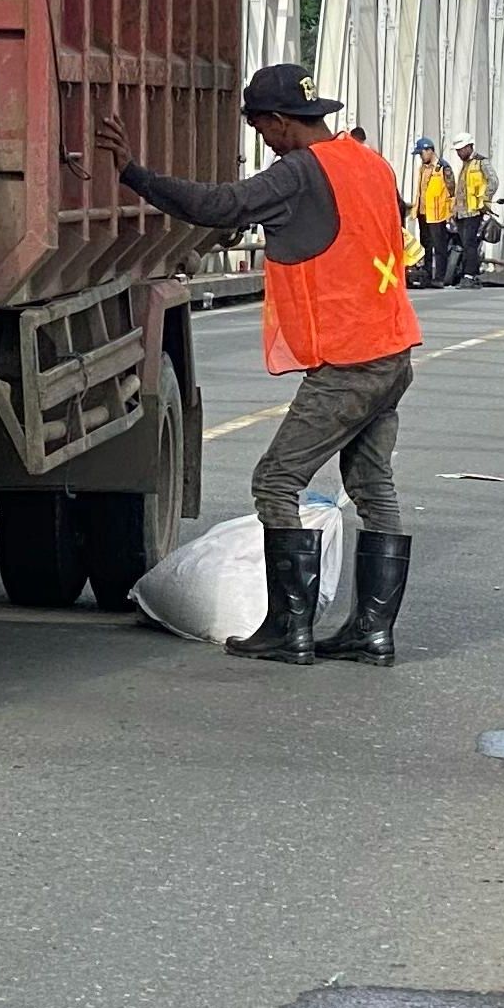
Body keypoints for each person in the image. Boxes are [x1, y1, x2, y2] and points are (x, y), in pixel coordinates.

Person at [96, 64, 422, 666]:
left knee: (276, 480)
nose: (262, 141)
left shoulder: (299, 170)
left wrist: (132, 174)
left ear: (279, 121)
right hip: (392, 347)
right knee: (374, 487)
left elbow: (220, 204)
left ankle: (287, 629)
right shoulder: (367, 161)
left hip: (349, 359)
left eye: (261, 128)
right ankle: (372, 633)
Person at [411, 136, 460, 288]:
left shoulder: (443, 168)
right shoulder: (422, 168)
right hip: (423, 212)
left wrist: (451, 212)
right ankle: (426, 275)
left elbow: (452, 191)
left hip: (437, 214)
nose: (421, 156)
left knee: (439, 247)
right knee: (426, 245)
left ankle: (439, 277)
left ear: (430, 150)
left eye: (422, 153)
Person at [454, 138, 501, 289]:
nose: (459, 153)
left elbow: (493, 181)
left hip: (474, 210)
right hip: (461, 212)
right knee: (466, 244)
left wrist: (485, 199)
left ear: (469, 146)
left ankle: (469, 275)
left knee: (470, 243)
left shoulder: (481, 162)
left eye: (461, 149)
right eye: (457, 150)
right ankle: (468, 274)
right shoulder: (465, 165)